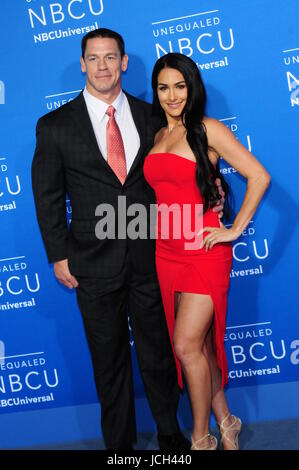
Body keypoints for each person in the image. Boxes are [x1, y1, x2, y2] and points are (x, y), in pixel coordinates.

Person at [31, 28, 226, 450]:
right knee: (109, 363)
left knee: (159, 354)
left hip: (151, 256)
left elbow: (187, 168)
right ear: (83, 64)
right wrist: (58, 256)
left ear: (123, 63)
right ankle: (119, 449)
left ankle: (171, 439)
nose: (102, 66)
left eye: (110, 57)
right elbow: (47, 197)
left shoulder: (152, 116)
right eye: (94, 58)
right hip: (91, 261)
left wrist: (217, 191)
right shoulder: (54, 126)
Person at [143, 53, 271, 450]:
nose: (172, 95)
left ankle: (201, 438)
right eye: (163, 87)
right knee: (197, 346)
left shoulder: (207, 129)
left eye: (179, 86)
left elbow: (258, 175)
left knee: (185, 344)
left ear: (192, 87)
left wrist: (233, 230)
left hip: (204, 250)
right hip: (167, 252)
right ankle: (227, 421)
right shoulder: (159, 137)